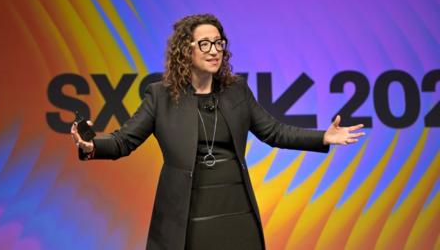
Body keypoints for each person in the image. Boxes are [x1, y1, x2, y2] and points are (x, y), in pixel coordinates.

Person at [70, 14, 365, 250]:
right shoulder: (160, 95)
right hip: (187, 215)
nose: (214, 51)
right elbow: (124, 141)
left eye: (219, 43)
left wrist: (323, 137)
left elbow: (274, 132)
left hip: (236, 211)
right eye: (205, 44)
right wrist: (90, 145)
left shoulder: (236, 91)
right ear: (186, 50)